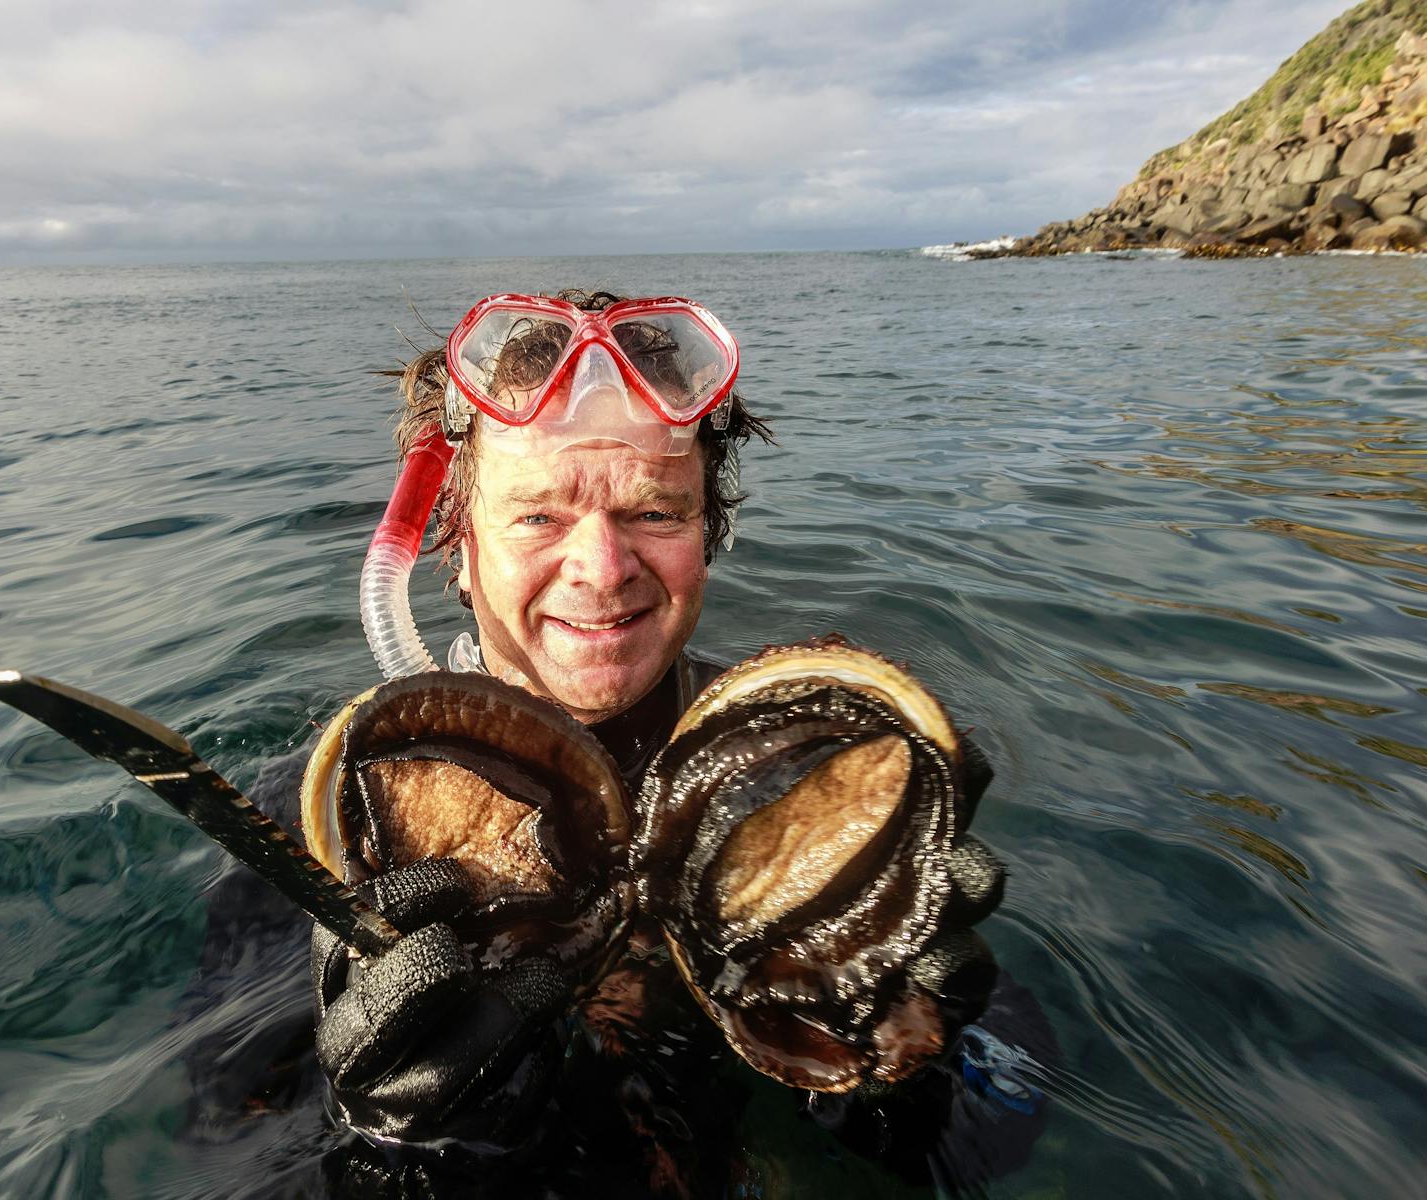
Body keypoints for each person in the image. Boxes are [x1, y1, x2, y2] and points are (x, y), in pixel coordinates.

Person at [195, 290, 1052, 1197]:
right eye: (538, 517)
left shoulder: (812, 780)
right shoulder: (315, 825)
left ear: (708, 531)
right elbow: (220, 1139)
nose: (602, 570)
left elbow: (1007, 1135)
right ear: (456, 541)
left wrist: (913, 1064)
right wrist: (392, 1147)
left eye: (656, 513)